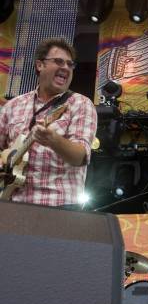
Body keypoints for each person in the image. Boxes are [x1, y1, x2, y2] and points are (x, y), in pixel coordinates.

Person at [0, 38, 97, 209]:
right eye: (58, 61)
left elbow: (80, 157)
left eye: (70, 64)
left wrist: (53, 140)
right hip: (12, 204)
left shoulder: (80, 104)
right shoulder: (12, 106)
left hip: (60, 205)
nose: (65, 67)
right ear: (40, 65)